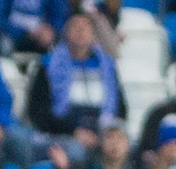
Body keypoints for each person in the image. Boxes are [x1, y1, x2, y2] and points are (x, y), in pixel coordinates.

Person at [25, 11, 125, 155]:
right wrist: (73, 132)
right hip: (62, 135)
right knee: (76, 151)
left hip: (102, 134)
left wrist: (104, 135)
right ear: (65, 32)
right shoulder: (48, 66)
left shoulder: (108, 67)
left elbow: (121, 110)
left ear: (93, 34)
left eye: (86, 27)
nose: (81, 31)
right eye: (75, 26)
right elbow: (38, 112)